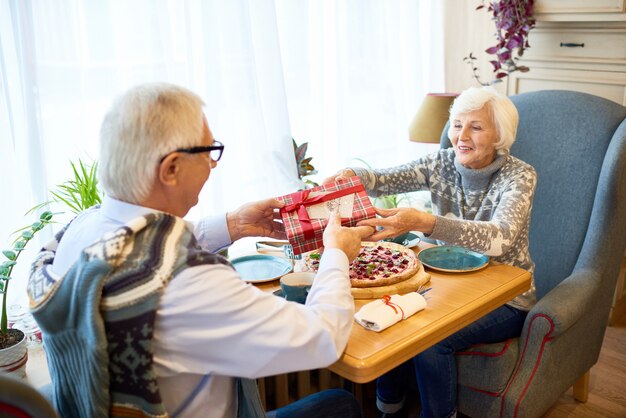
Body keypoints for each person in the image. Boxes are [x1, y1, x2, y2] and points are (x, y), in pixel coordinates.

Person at [27, 82, 373, 418]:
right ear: (171, 168)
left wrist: (234, 224)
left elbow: (150, 245)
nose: (213, 164)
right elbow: (323, 337)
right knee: (341, 404)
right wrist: (336, 253)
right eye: (209, 152)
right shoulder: (189, 281)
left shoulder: (80, 231)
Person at [324, 86, 537, 418]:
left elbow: (501, 239)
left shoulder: (520, 176)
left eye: (476, 127)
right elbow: (384, 180)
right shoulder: (442, 162)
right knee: (389, 318)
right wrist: (355, 176)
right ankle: (389, 409)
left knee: (430, 340)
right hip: (448, 283)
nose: (460, 136)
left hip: (506, 297)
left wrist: (428, 223)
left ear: (500, 136)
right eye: (456, 124)